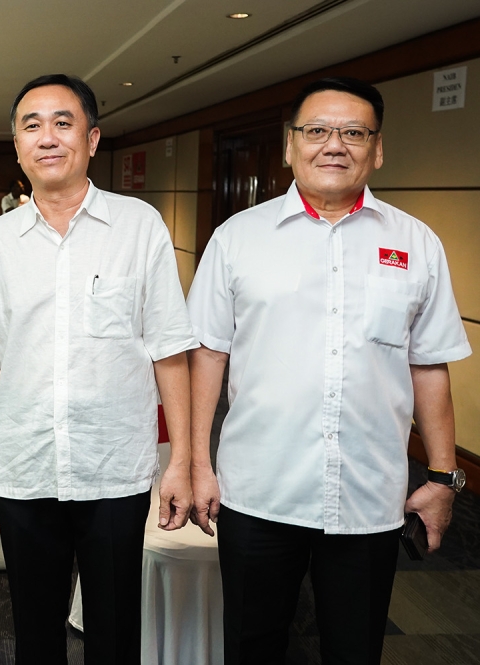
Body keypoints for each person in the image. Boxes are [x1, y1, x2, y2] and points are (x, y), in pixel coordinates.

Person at [187, 77, 472, 665]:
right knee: (251, 644)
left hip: (369, 495)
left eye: (353, 132)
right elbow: (208, 356)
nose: (334, 145)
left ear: (378, 148)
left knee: (355, 648)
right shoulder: (238, 239)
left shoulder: (417, 243)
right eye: (316, 131)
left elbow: (429, 366)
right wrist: (196, 465)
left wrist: (443, 478)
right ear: (290, 145)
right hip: (258, 491)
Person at [0, 74, 197, 664]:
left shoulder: (139, 228)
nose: (47, 137)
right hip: (24, 469)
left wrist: (183, 464)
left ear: (91, 139)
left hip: (113, 468)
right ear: (16, 146)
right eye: (31, 126)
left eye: (63, 123)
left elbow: (170, 351)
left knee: (115, 632)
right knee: (34, 633)